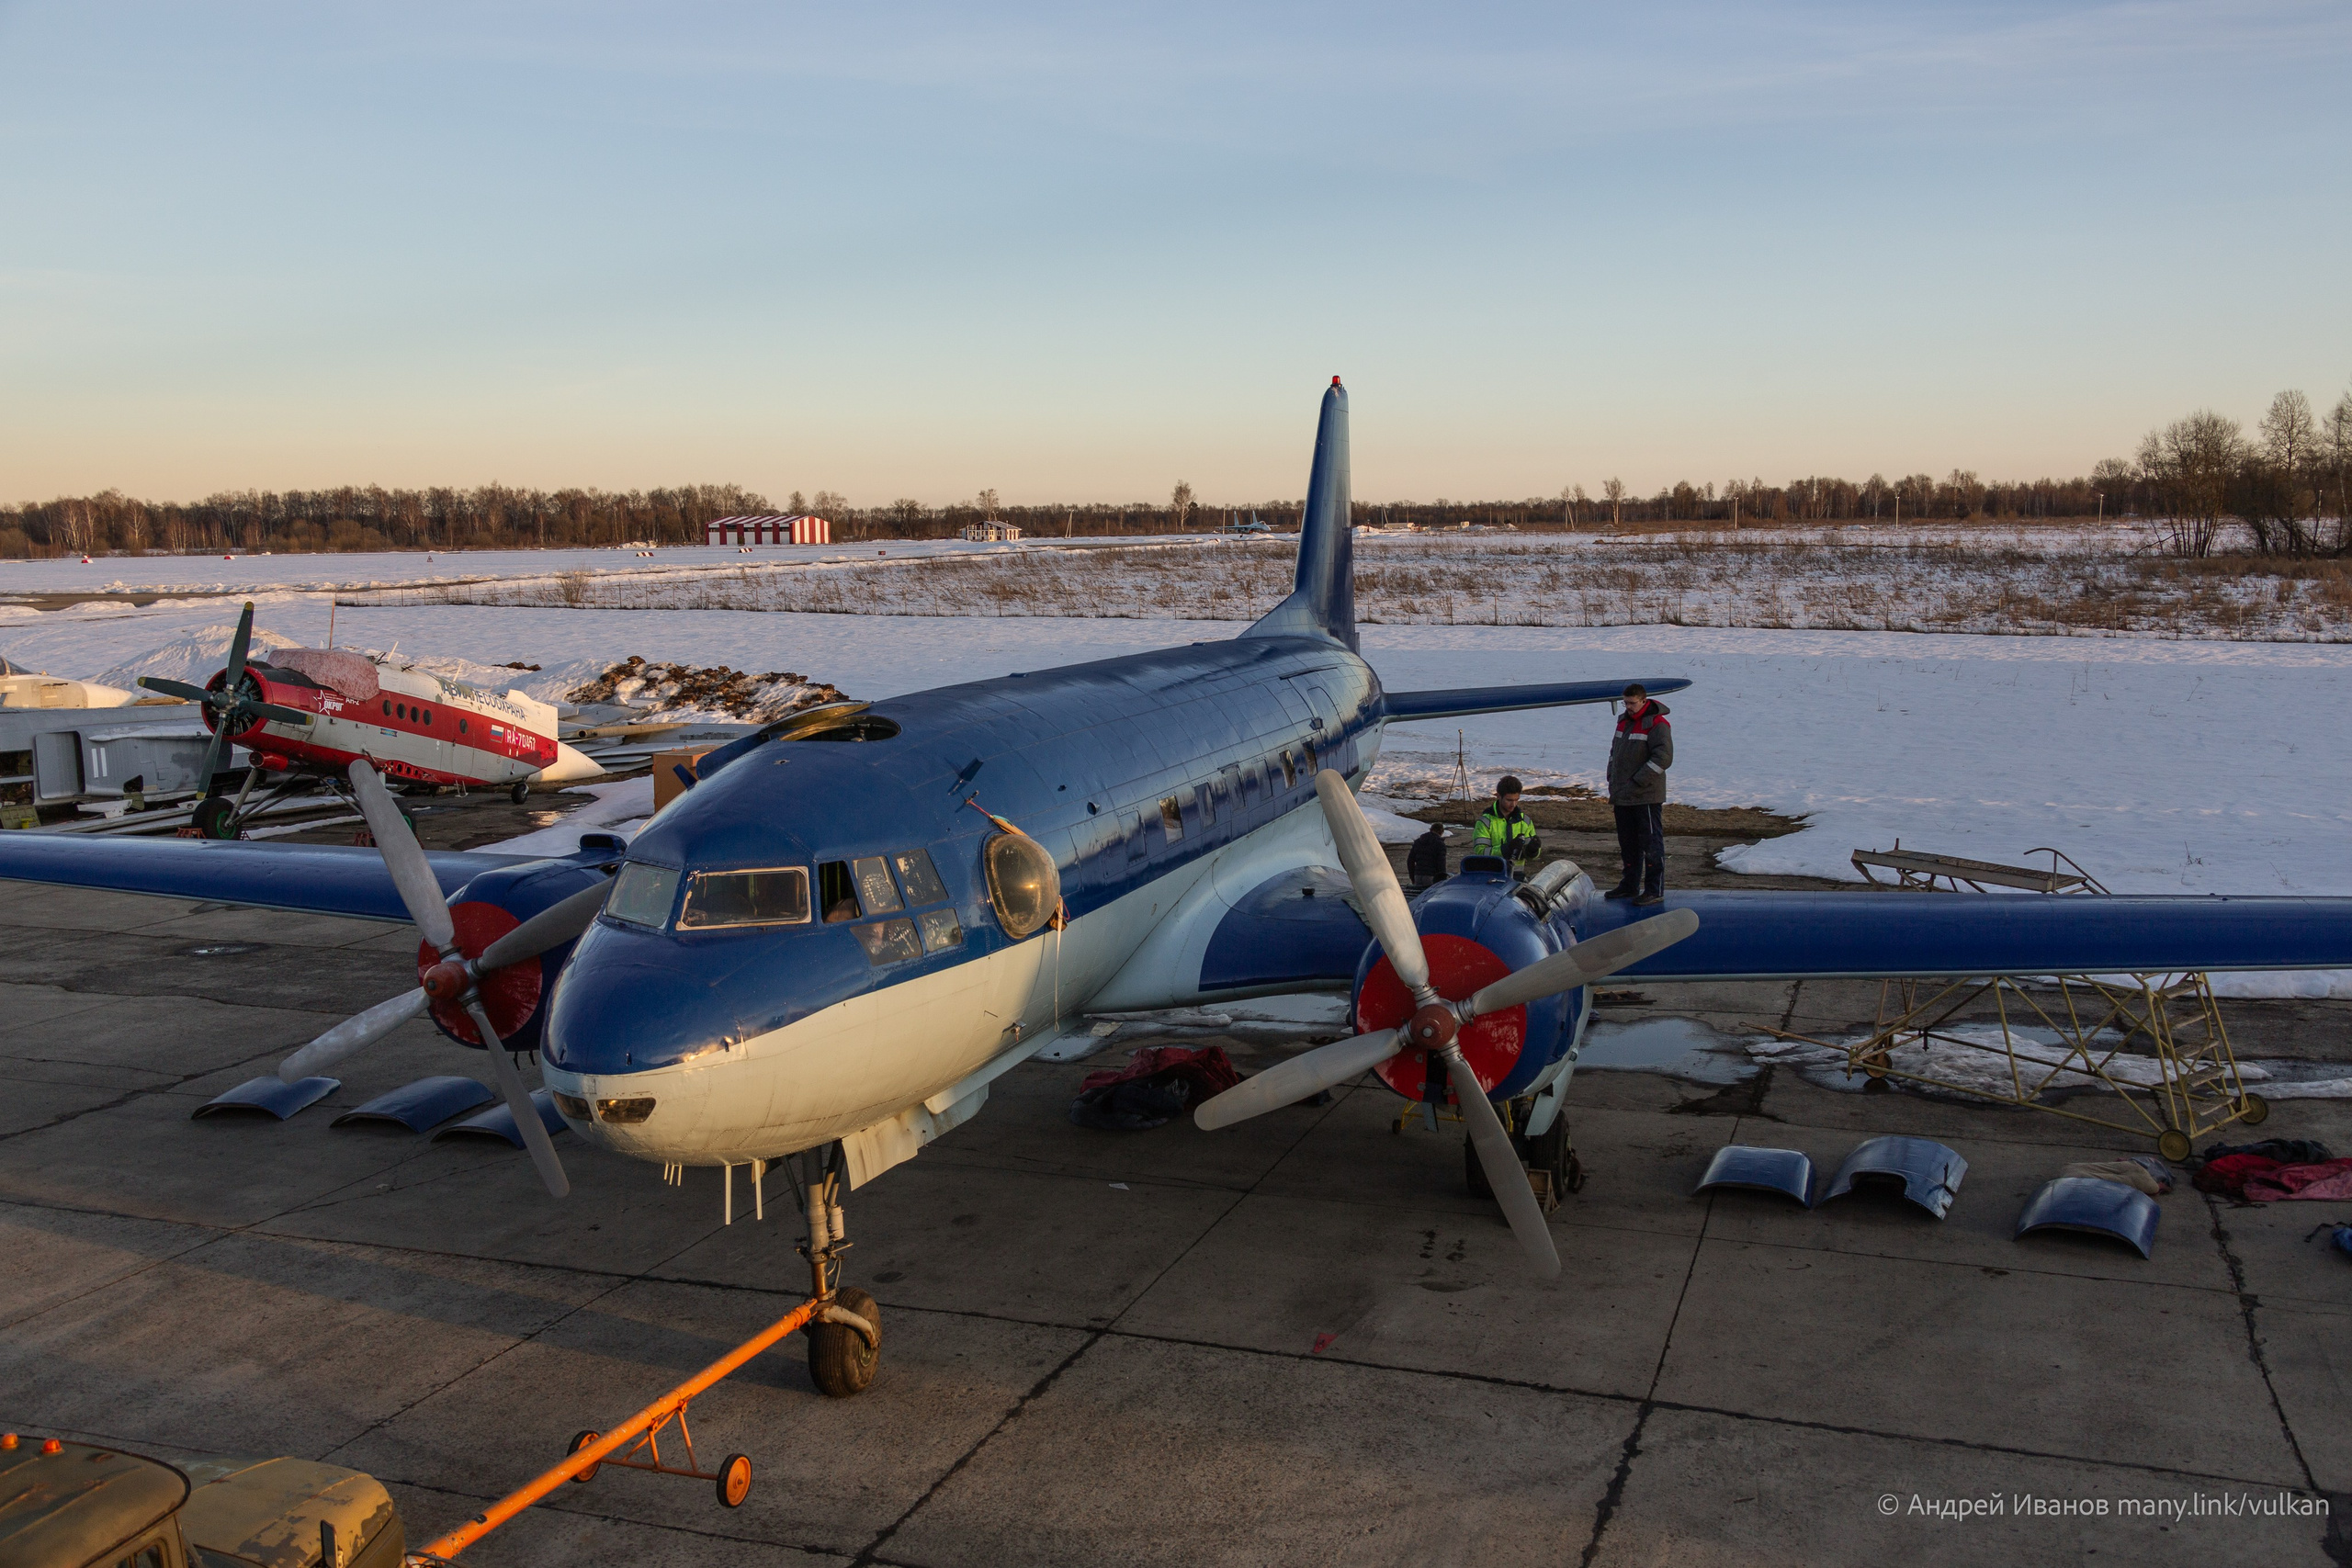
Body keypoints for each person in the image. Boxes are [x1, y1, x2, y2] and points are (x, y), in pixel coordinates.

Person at [1606, 684, 1672, 905]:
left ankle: (1654, 889)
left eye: (1632, 703)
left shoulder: (1657, 724)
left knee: (1651, 843)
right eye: (1625, 702)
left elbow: (1663, 758)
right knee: (1628, 843)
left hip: (1646, 796)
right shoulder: (1623, 722)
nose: (1628, 707)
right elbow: (1615, 752)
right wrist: (1612, 776)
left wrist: (1638, 781)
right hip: (1623, 794)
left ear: (1644, 701)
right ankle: (1630, 885)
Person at [1471, 775, 1542, 871]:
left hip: (1517, 875)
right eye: (1509, 800)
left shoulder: (1525, 821)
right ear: (1499, 796)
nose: (1513, 804)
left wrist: (1533, 851)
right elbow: (1480, 852)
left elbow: (1530, 856)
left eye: (1516, 800)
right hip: (1491, 874)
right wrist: (1506, 849)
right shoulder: (1485, 822)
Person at [1406, 820, 1451, 887]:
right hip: (1431, 876)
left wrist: (1412, 877)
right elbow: (1441, 863)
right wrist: (1442, 879)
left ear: (1431, 829)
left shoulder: (1418, 842)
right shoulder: (1440, 844)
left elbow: (1410, 861)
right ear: (1441, 832)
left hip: (1417, 876)